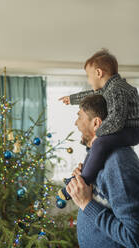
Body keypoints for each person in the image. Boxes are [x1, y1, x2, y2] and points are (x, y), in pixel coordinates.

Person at [58, 49, 139, 201]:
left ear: (98, 73)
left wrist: (98, 134)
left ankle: (83, 181)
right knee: (97, 145)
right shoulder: (110, 88)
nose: (88, 80)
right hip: (123, 129)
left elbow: (116, 120)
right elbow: (92, 94)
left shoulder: (117, 90)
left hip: (131, 131)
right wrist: (72, 98)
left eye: (88, 76)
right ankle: (81, 177)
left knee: (100, 143)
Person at [66, 94, 139, 248]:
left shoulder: (118, 161)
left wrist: (86, 203)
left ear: (96, 123)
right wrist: (83, 188)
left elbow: (134, 237)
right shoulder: (96, 157)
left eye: (79, 116)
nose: (75, 123)